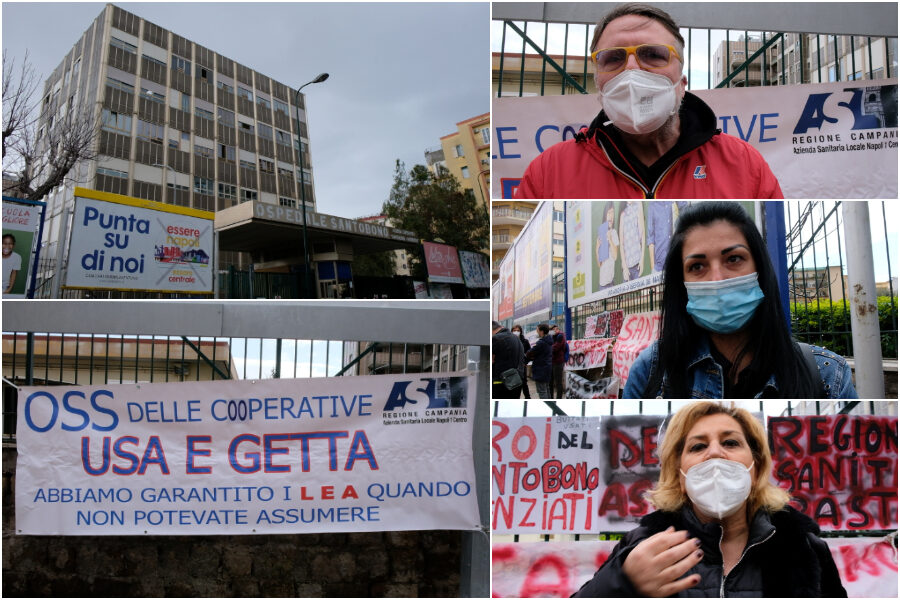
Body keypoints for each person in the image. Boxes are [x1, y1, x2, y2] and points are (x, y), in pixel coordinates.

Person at [573, 401, 847, 597]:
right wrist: (622, 584)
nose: (715, 453)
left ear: (756, 468)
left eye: (730, 443)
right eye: (698, 446)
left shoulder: (805, 548)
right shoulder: (643, 547)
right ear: (680, 475)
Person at [516, 3, 783, 199]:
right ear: (598, 83)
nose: (631, 71)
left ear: (682, 85)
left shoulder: (744, 166)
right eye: (613, 58)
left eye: (653, 55)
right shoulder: (548, 173)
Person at [624, 202, 857, 399]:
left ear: (759, 267)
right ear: (681, 282)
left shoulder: (828, 375)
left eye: (734, 258)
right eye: (697, 266)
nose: (717, 279)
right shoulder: (650, 370)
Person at [491, 321, 525, 399]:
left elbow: (491, 360)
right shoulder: (516, 338)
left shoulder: (496, 338)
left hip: (501, 383)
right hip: (516, 382)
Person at [525, 323, 553, 399]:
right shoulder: (549, 341)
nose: (536, 332)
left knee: (542, 391)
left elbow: (530, 352)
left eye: (537, 330)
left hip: (540, 369)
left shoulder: (541, 343)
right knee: (546, 389)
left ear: (542, 331)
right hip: (547, 368)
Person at [510, 324, 532, 399]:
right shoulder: (509, 340)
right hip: (512, 366)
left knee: (523, 383)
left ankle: (527, 397)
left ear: (521, 332)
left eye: (518, 331)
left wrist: (525, 362)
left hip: (522, 366)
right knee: (513, 383)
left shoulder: (525, 341)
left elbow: (530, 353)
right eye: (514, 330)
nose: (516, 332)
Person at [549, 324, 567, 398]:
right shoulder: (552, 337)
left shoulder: (560, 336)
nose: (555, 331)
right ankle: (551, 398)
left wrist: (548, 348)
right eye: (553, 330)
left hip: (558, 361)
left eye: (556, 329)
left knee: (558, 382)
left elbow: (555, 347)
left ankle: (559, 398)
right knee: (550, 382)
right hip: (551, 361)